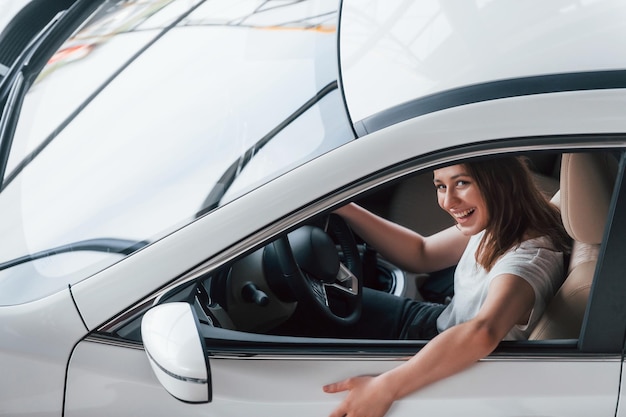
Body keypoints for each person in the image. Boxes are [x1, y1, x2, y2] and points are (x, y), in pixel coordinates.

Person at [322, 156, 571, 417]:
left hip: (449, 348)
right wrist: (345, 208)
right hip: (437, 322)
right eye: (441, 186)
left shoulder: (527, 261)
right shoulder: (503, 222)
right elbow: (422, 253)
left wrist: (385, 387)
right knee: (330, 300)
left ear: (503, 182)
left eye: (461, 183)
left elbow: (482, 332)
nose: (448, 201)